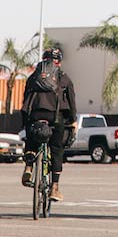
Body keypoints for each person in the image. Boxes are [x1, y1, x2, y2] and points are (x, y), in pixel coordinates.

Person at [21, 47, 77, 202]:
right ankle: (54, 187)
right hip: (55, 116)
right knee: (57, 148)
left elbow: (25, 99)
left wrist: (25, 121)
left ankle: (29, 167)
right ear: (58, 61)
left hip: (34, 115)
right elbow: (71, 101)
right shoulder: (63, 77)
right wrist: (72, 120)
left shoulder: (34, 77)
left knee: (31, 138)